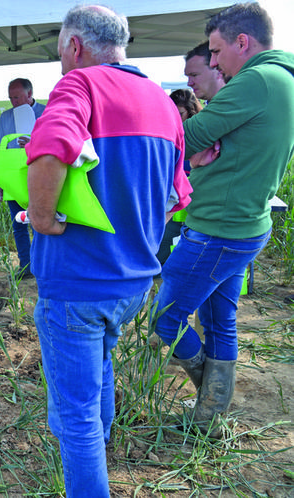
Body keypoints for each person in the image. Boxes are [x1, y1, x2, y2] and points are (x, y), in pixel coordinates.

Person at [24, 5, 191, 497]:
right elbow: (177, 197)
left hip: (78, 284)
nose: (60, 64)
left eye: (60, 53)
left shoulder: (80, 85)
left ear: (75, 46)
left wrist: (40, 216)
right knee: (97, 375)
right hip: (134, 282)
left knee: (74, 419)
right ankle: (100, 453)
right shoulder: (162, 102)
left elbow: (51, 147)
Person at [154, 2, 294, 434]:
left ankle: (209, 402)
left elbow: (188, 135)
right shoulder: (283, 78)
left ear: (242, 42)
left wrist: (188, 145)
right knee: (218, 320)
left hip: (218, 229)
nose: (213, 62)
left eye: (216, 52)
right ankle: (210, 418)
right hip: (243, 225)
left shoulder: (256, 81)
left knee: (166, 318)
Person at [0, 78, 46, 279]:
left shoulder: (47, 112)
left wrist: (35, 144)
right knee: (19, 223)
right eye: (10, 98)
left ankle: (43, 267)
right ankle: (26, 267)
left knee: (40, 222)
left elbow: (58, 144)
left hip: (41, 177)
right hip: (13, 178)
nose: (13, 102)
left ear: (30, 94)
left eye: (17, 97)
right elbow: (1, 150)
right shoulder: (6, 117)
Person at [155, 88, 205, 265]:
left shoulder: (199, 133)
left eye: (181, 113)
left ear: (191, 111)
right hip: (173, 201)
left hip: (193, 199)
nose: (176, 117)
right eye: (173, 112)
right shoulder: (166, 132)